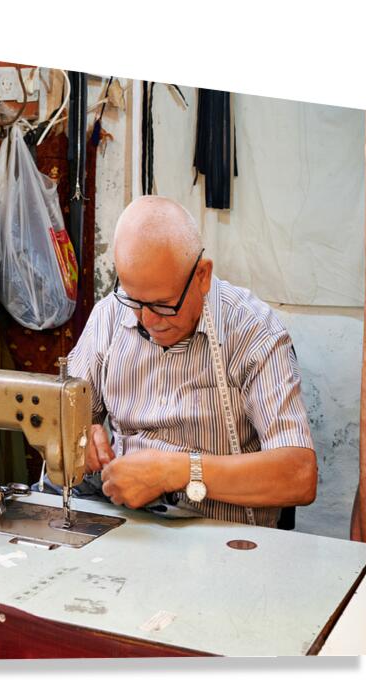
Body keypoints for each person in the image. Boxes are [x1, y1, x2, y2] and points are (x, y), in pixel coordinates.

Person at [65, 195, 317, 526]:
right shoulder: (110, 317)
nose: (148, 320)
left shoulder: (252, 330)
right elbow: (61, 417)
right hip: (127, 527)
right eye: (135, 301)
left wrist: (177, 471)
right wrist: (80, 436)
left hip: (223, 539)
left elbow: (298, 475)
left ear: (202, 275)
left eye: (164, 304)